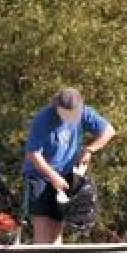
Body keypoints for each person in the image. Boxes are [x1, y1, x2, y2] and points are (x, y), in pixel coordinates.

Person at [23, 87, 116, 244]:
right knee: (43, 226)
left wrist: (89, 150)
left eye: (75, 113)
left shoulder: (84, 113)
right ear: (57, 106)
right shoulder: (43, 119)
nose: (72, 117)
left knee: (57, 226)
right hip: (40, 175)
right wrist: (53, 177)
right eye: (67, 113)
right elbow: (33, 155)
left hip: (66, 175)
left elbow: (109, 131)